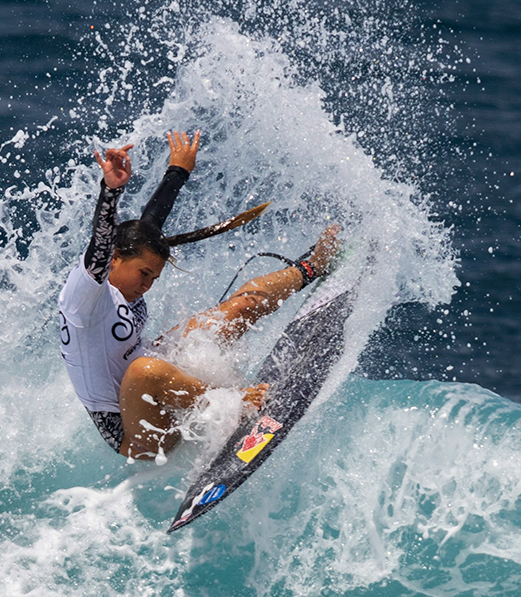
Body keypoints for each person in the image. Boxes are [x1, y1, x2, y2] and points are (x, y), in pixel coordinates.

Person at [57, 131, 339, 460]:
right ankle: (233, 405)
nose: (147, 285)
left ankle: (313, 267)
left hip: (159, 382)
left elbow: (149, 225)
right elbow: (103, 239)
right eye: (144, 274)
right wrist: (110, 191)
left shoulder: (129, 262)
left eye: (154, 277)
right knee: (144, 371)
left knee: (238, 308)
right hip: (136, 434)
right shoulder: (84, 296)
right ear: (114, 259)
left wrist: (177, 171)